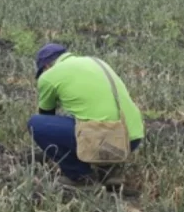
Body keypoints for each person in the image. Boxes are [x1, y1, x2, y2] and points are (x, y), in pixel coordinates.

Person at [28, 43, 145, 187]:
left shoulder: (48, 76)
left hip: (103, 138)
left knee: (36, 124)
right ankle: (108, 169)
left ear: (46, 67)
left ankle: (80, 176)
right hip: (131, 138)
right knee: (84, 117)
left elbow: (47, 116)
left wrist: (51, 152)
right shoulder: (97, 62)